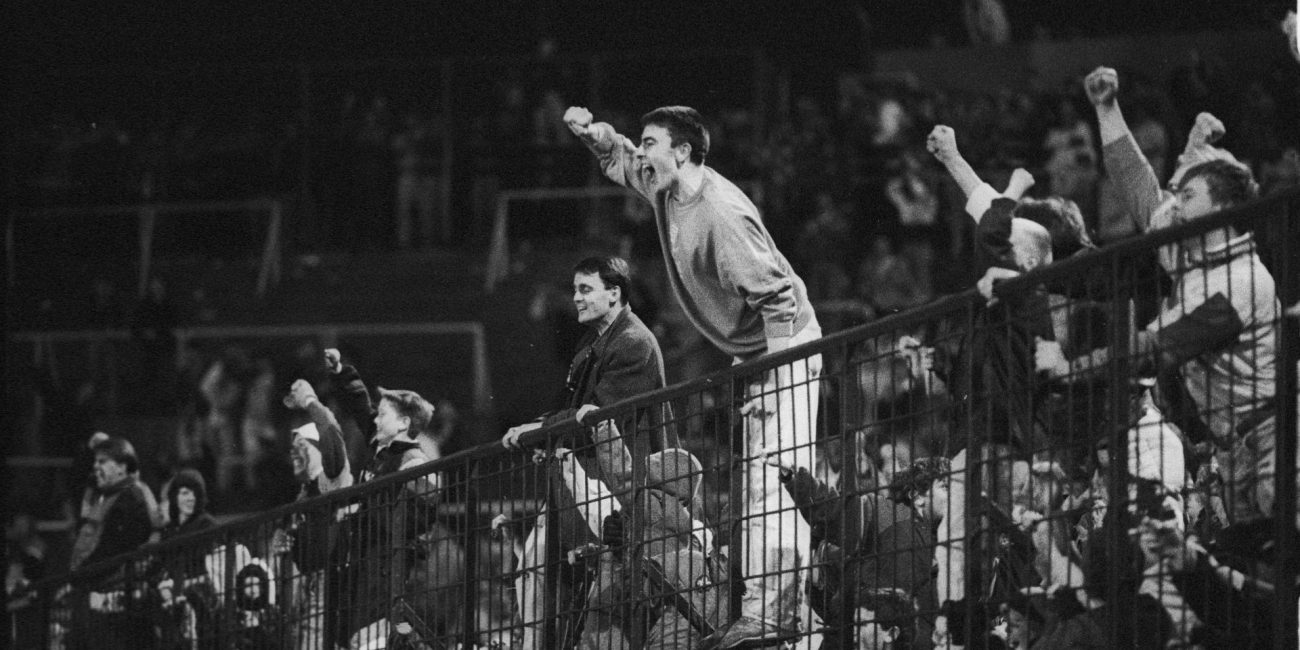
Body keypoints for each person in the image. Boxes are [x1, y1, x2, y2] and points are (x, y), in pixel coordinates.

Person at [566, 103, 823, 645]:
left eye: (652, 142)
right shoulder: (667, 186)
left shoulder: (722, 214)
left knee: (776, 481)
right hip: (755, 353)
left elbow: (777, 298)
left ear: (682, 152)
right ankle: (769, 609)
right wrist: (594, 135)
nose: (644, 152)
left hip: (786, 345)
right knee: (758, 482)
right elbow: (623, 160)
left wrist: (777, 378)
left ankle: (778, 614)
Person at [1063, 66, 1280, 525]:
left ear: (1222, 207)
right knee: (1254, 572)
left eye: (1188, 193)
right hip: (1234, 448)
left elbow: (1149, 351)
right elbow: (1138, 185)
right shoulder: (1189, 247)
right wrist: (1106, 108)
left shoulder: (1238, 283)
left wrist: (1068, 369)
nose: (1175, 201)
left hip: (1273, 439)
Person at [502, 255, 668, 649]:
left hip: (620, 490)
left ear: (614, 294)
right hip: (587, 484)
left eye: (585, 289)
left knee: (605, 607)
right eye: (574, 289)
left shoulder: (633, 342)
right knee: (552, 584)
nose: (575, 298)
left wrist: (543, 431)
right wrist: (546, 430)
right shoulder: (594, 340)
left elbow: (599, 418)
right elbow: (578, 407)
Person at [65, 435, 159, 649]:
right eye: (95, 461)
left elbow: (114, 549)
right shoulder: (108, 495)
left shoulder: (130, 497)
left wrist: (81, 575)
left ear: (122, 467)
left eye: (102, 462)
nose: (95, 467)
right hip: (100, 594)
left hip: (113, 599)